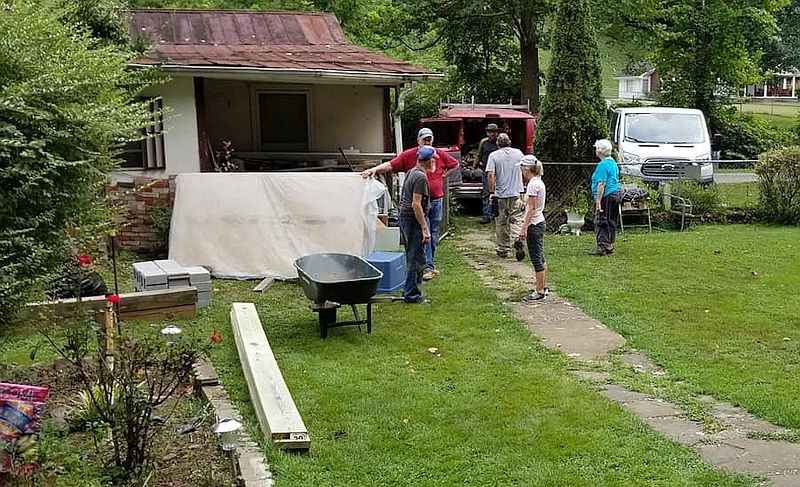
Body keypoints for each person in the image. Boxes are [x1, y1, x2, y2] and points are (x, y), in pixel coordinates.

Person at [361, 128, 459, 280]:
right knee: (424, 233)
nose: (427, 141)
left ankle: (429, 265)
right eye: (424, 139)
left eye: (430, 138)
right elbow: (391, 165)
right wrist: (374, 169)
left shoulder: (437, 154)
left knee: (433, 235)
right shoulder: (411, 158)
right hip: (421, 204)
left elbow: (454, 164)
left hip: (436, 200)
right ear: (418, 140)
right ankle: (424, 268)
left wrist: (444, 175)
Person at [397, 146, 436, 304]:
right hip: (413, 220)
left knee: (412, 255)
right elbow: (416, 204)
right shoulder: (420, 177)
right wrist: (424, 228)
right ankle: (413, 295)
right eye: (433, 159)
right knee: (417, 258)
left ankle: (408, 289)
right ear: (428, 161)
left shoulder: (412, 171)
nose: (435, 161)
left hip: (406, 218)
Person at [486, 133, 525, 259]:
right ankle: (517, 240)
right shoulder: (519, 153)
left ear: (497, 143)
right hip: (517, 193)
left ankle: (503, 248)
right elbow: (525, 169)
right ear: (509, 142)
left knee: (501, 221)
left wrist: (491, 192)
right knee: (517, 219)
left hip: (500, 194)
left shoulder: (494, 156)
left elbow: (491, 175)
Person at [518, 155, 548, 301]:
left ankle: (540, 291)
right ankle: (543, 286)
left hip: (534, 224)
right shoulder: (538, 182)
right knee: (541, 256)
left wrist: (524, 228)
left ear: (526, 168)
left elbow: (532, 208)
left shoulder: (532, 184)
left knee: (536, 258)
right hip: (540, 222)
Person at [590, 139, 622, 256]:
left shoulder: (602, 165)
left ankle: (602, 246)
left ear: (600, 151)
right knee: (611, 219)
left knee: (602, 219)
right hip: (616, 193)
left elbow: (601, 184)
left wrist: (598, 201)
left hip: (607, 195)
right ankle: (609, 244)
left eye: (596, 149)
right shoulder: (612, 162)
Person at [473, 123, 500, 224]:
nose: (492, 134)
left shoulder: (499, 143)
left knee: (498, 193)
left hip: (497, 171)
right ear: (487, 132)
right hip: (486, 171)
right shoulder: (483, 142)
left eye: (494, 132)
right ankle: (486, 215)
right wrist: (473, 167)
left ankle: (496, 214)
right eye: (490, 131)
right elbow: (479, 154)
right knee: (486, 193)